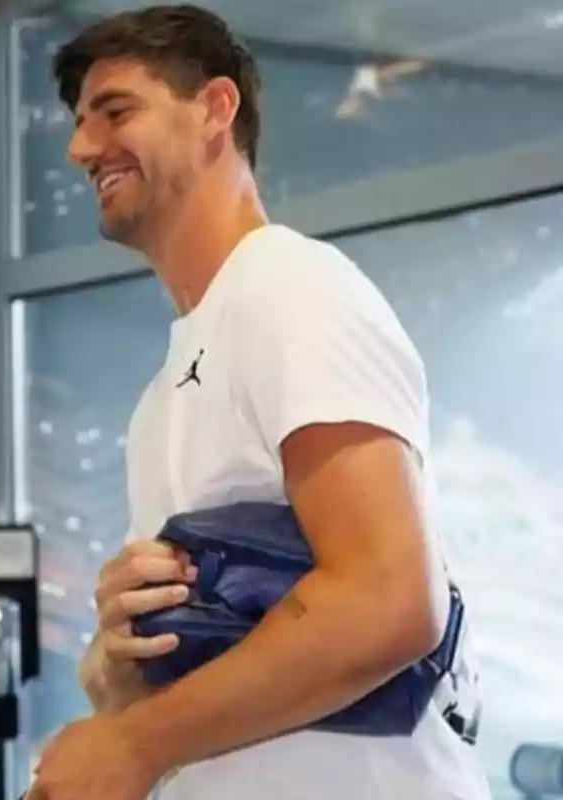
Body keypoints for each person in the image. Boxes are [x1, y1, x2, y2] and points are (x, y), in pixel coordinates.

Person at [26, 6, 490, 800]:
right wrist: (116, 659)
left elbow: (388, 598)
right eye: (78, 124)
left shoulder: (290, 289)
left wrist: (134, 744)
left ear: (214, 109)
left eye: (116, 112)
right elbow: (187, 681)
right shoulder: (162, 395)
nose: (80, 148)